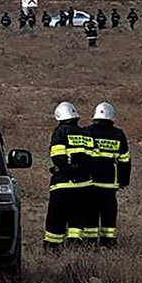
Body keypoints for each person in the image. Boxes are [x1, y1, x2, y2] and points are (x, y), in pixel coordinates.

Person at [44, 102, 93, 249]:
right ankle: (74, 244)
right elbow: (91, 158)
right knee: (77, 216)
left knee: (56, 216)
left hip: (63, 183)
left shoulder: (60, 132)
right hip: (84, 183)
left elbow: (57, 156)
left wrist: (66, 170)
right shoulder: (85, 133)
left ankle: (52, 247)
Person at [87, 101, 131, 246]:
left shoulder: (87, 132)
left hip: (90, 181)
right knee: (109, 214)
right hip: (110, 182)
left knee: (91, 212)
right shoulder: (119, 134)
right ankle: (109, 241)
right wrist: (124, 181)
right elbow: (125, 160)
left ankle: (90, 242)